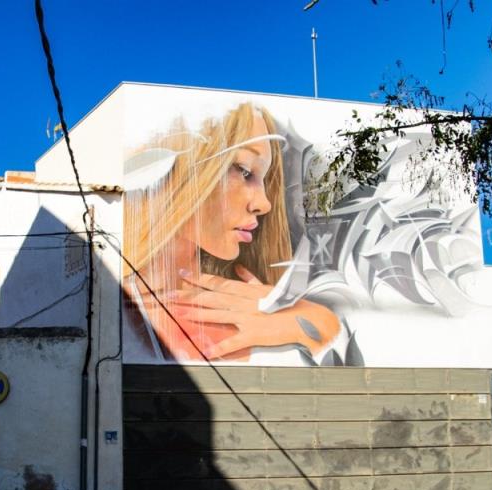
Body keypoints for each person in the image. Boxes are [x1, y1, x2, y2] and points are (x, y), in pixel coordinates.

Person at [123, 101, 345, 363]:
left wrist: (321, 325)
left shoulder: (255, 301)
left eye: (264, 178)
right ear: (180, 170)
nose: (264, 204)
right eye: (245, 171)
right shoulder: (113, 309)